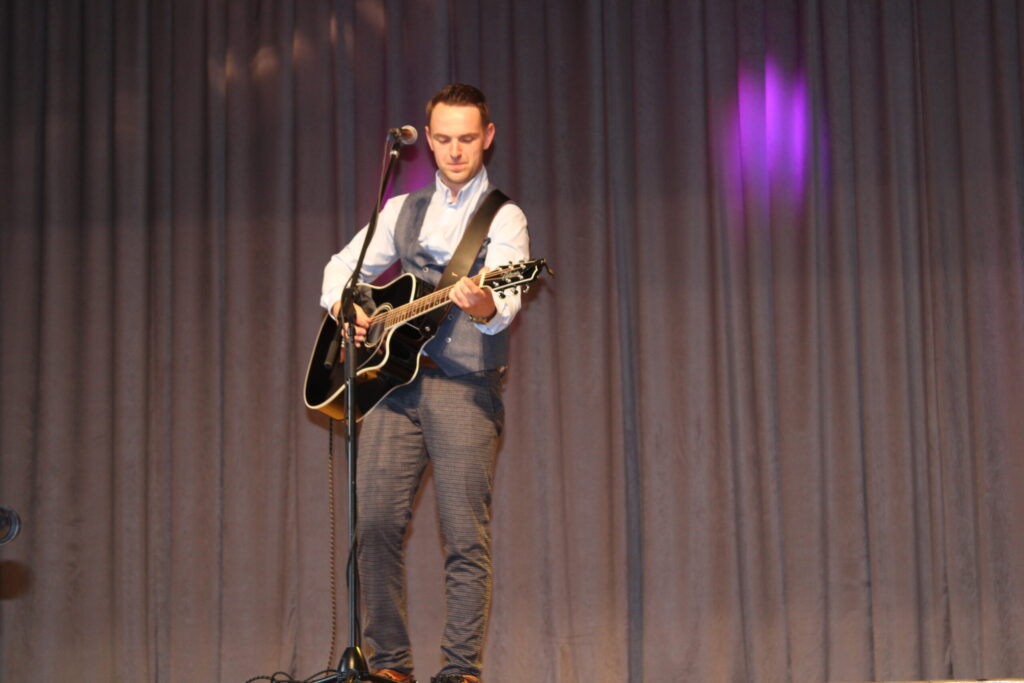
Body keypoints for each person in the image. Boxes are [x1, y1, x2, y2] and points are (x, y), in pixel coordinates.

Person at [319, 84, 530, 683]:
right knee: (373, 525)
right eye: (443, 139)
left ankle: (459, 671)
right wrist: (346, 307)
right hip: (392, 388)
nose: (455, 151)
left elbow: (506, 303)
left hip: (464, 385)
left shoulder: (504, 217)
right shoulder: (401, 210)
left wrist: (485, 304)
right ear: (427, 140)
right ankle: (391, 666)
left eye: (467, 138)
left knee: (464, 535)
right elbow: (341, 267)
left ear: (487, 137)